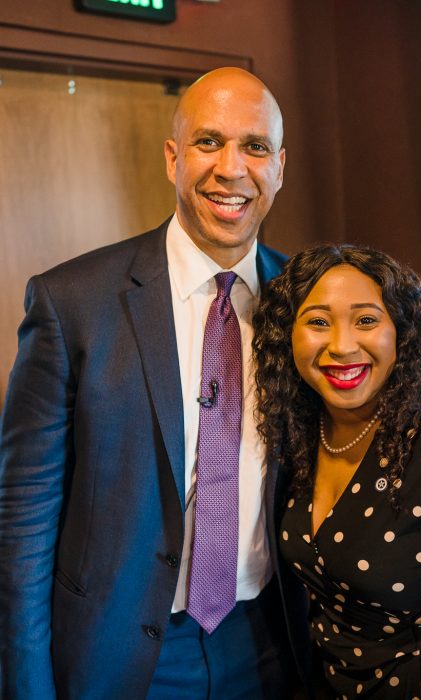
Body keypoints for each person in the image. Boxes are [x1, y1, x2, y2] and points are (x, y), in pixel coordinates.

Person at [0, 68, 310, 699]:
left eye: (254, 148)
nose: (232, 169)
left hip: (270, 645)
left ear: (278, 166)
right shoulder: (72, 304)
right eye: (208, 142)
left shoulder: (308, 302)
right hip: (122, 654)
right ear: (173, 157)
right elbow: (21, 526)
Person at [253, 243, 421, 699]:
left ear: (400, 333)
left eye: (366, 320)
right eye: (318, 322)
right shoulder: (297, 433)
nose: (342, 346)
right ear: (287, 335)